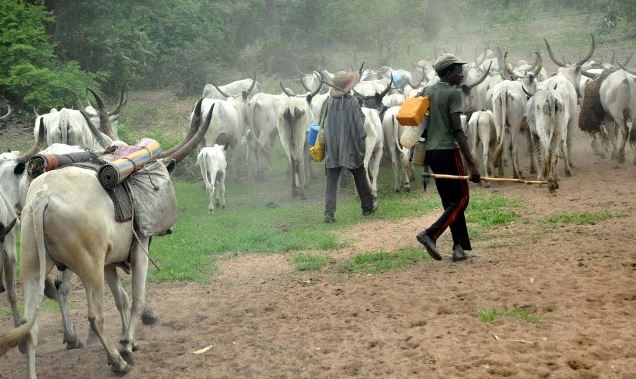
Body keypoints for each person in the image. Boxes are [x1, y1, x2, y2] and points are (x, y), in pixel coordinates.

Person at [416, 54, 481, 262]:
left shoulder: (427, 91)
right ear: (449, 72)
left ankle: (458, 248)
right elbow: (457, 130)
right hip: (448, 151)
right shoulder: (453, 94)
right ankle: (431, 234)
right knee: (462, 198)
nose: (461, 74)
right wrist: (472, 163)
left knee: (450, 202)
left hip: (432, 154)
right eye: (458, 71)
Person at [320, 71, 378, 223]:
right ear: (348, 87)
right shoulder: (351, 101)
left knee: (332, 180)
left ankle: (329, 213)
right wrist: (362, 139)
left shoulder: (328, 101)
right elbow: (360, 124)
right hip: (350, 147)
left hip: (332, 148)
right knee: (359, 174)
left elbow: (322, 122)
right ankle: (368, 207)